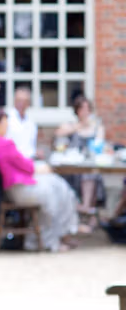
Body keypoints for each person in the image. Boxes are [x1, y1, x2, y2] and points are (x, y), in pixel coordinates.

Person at [0, 108, 90, 252]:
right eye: (5, 122)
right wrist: (40, 168)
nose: (7, 126)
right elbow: (25, 166)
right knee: (54, 192)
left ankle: (61, 233)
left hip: (9, 188)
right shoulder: (5, 144)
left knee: (57, 184)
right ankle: (51, 240)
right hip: (17, 189)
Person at [56, 94, 107, 227]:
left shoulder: (96, 126)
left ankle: (85, 207)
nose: (85, 112)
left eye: (87, 109)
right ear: (77, 110)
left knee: (91, 173)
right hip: (73, 166)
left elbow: (100, 144)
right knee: (81, 174)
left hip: (91, 164)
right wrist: (79, 126)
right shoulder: (71, 125)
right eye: (82, 109)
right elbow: (58, 134)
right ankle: (85, 209)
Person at [5, 86, 39, 160]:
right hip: (12, 159)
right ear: (14, 101)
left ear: (29, 103)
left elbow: (31, 145)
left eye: (25, 101)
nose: (22, 103)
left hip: (29, 159)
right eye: (19, 100)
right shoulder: (6, 118)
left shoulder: (31, 121)